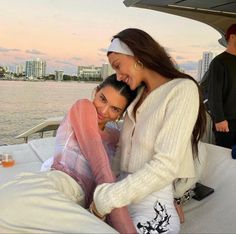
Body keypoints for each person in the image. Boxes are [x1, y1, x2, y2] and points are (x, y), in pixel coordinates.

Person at [90, 28, 207, 234]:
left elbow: (166, 165)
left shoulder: (181, 90)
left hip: (151, 208)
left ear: (137, 55)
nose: (117, 76)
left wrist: (107, 199)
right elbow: (124, 149)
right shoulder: (138, 95)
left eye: (117, 66)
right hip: (118, 202)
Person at [0, 74, 137, 233]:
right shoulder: (83, 108)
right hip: (53, 186)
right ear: (95, 92)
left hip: (73, 206)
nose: (104, 110)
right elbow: (102, 170)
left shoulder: (116, 136)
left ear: (121, 114)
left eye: (115, 109)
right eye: (103, 99)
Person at [207, 24, 236, 148]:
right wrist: (219, 119)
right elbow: (214, 93)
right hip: (226, 122)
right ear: (232, 37)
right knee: (226, 158)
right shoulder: (219, 62)